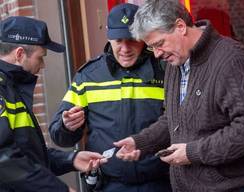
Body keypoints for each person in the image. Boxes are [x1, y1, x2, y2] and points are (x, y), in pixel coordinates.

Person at [114, 0, 244, 192]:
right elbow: (173, 119)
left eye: (159, 44)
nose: (156, 54)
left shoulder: (232, 60)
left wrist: (192, 153)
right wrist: (141, 142)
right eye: (151, 48)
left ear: (180, 27)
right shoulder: (176, 61)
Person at [49, 3, 171, 192]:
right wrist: (67, 126)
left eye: (132, 40)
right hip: (109, 185)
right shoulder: (89, 76)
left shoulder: (166, 71)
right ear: (108, 36)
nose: (125, 48)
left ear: (143, 36)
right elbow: (60, 137)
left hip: (162, 183)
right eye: (118, 40)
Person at [0, 16, 107, 192]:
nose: (42, 65)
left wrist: (71, 159)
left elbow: (27, 153)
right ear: (19, 54)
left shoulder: (10, 88)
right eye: (40, 57)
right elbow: (6, 161)